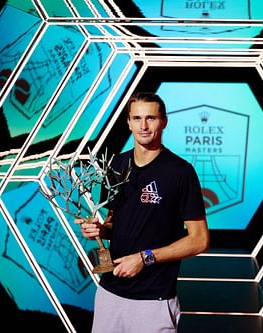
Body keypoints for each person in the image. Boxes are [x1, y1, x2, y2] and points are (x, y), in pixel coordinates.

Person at [76, 92, 209, 333]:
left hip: (153, 301)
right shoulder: (115, 165)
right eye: (137, 118)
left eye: (151, 118)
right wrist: (99, 230)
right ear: (128, 122)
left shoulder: (180, 172)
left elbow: (199, 241)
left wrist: (145, 257)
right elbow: (115, 223)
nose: (143, 126)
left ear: (164, 121)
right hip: (109, 294)